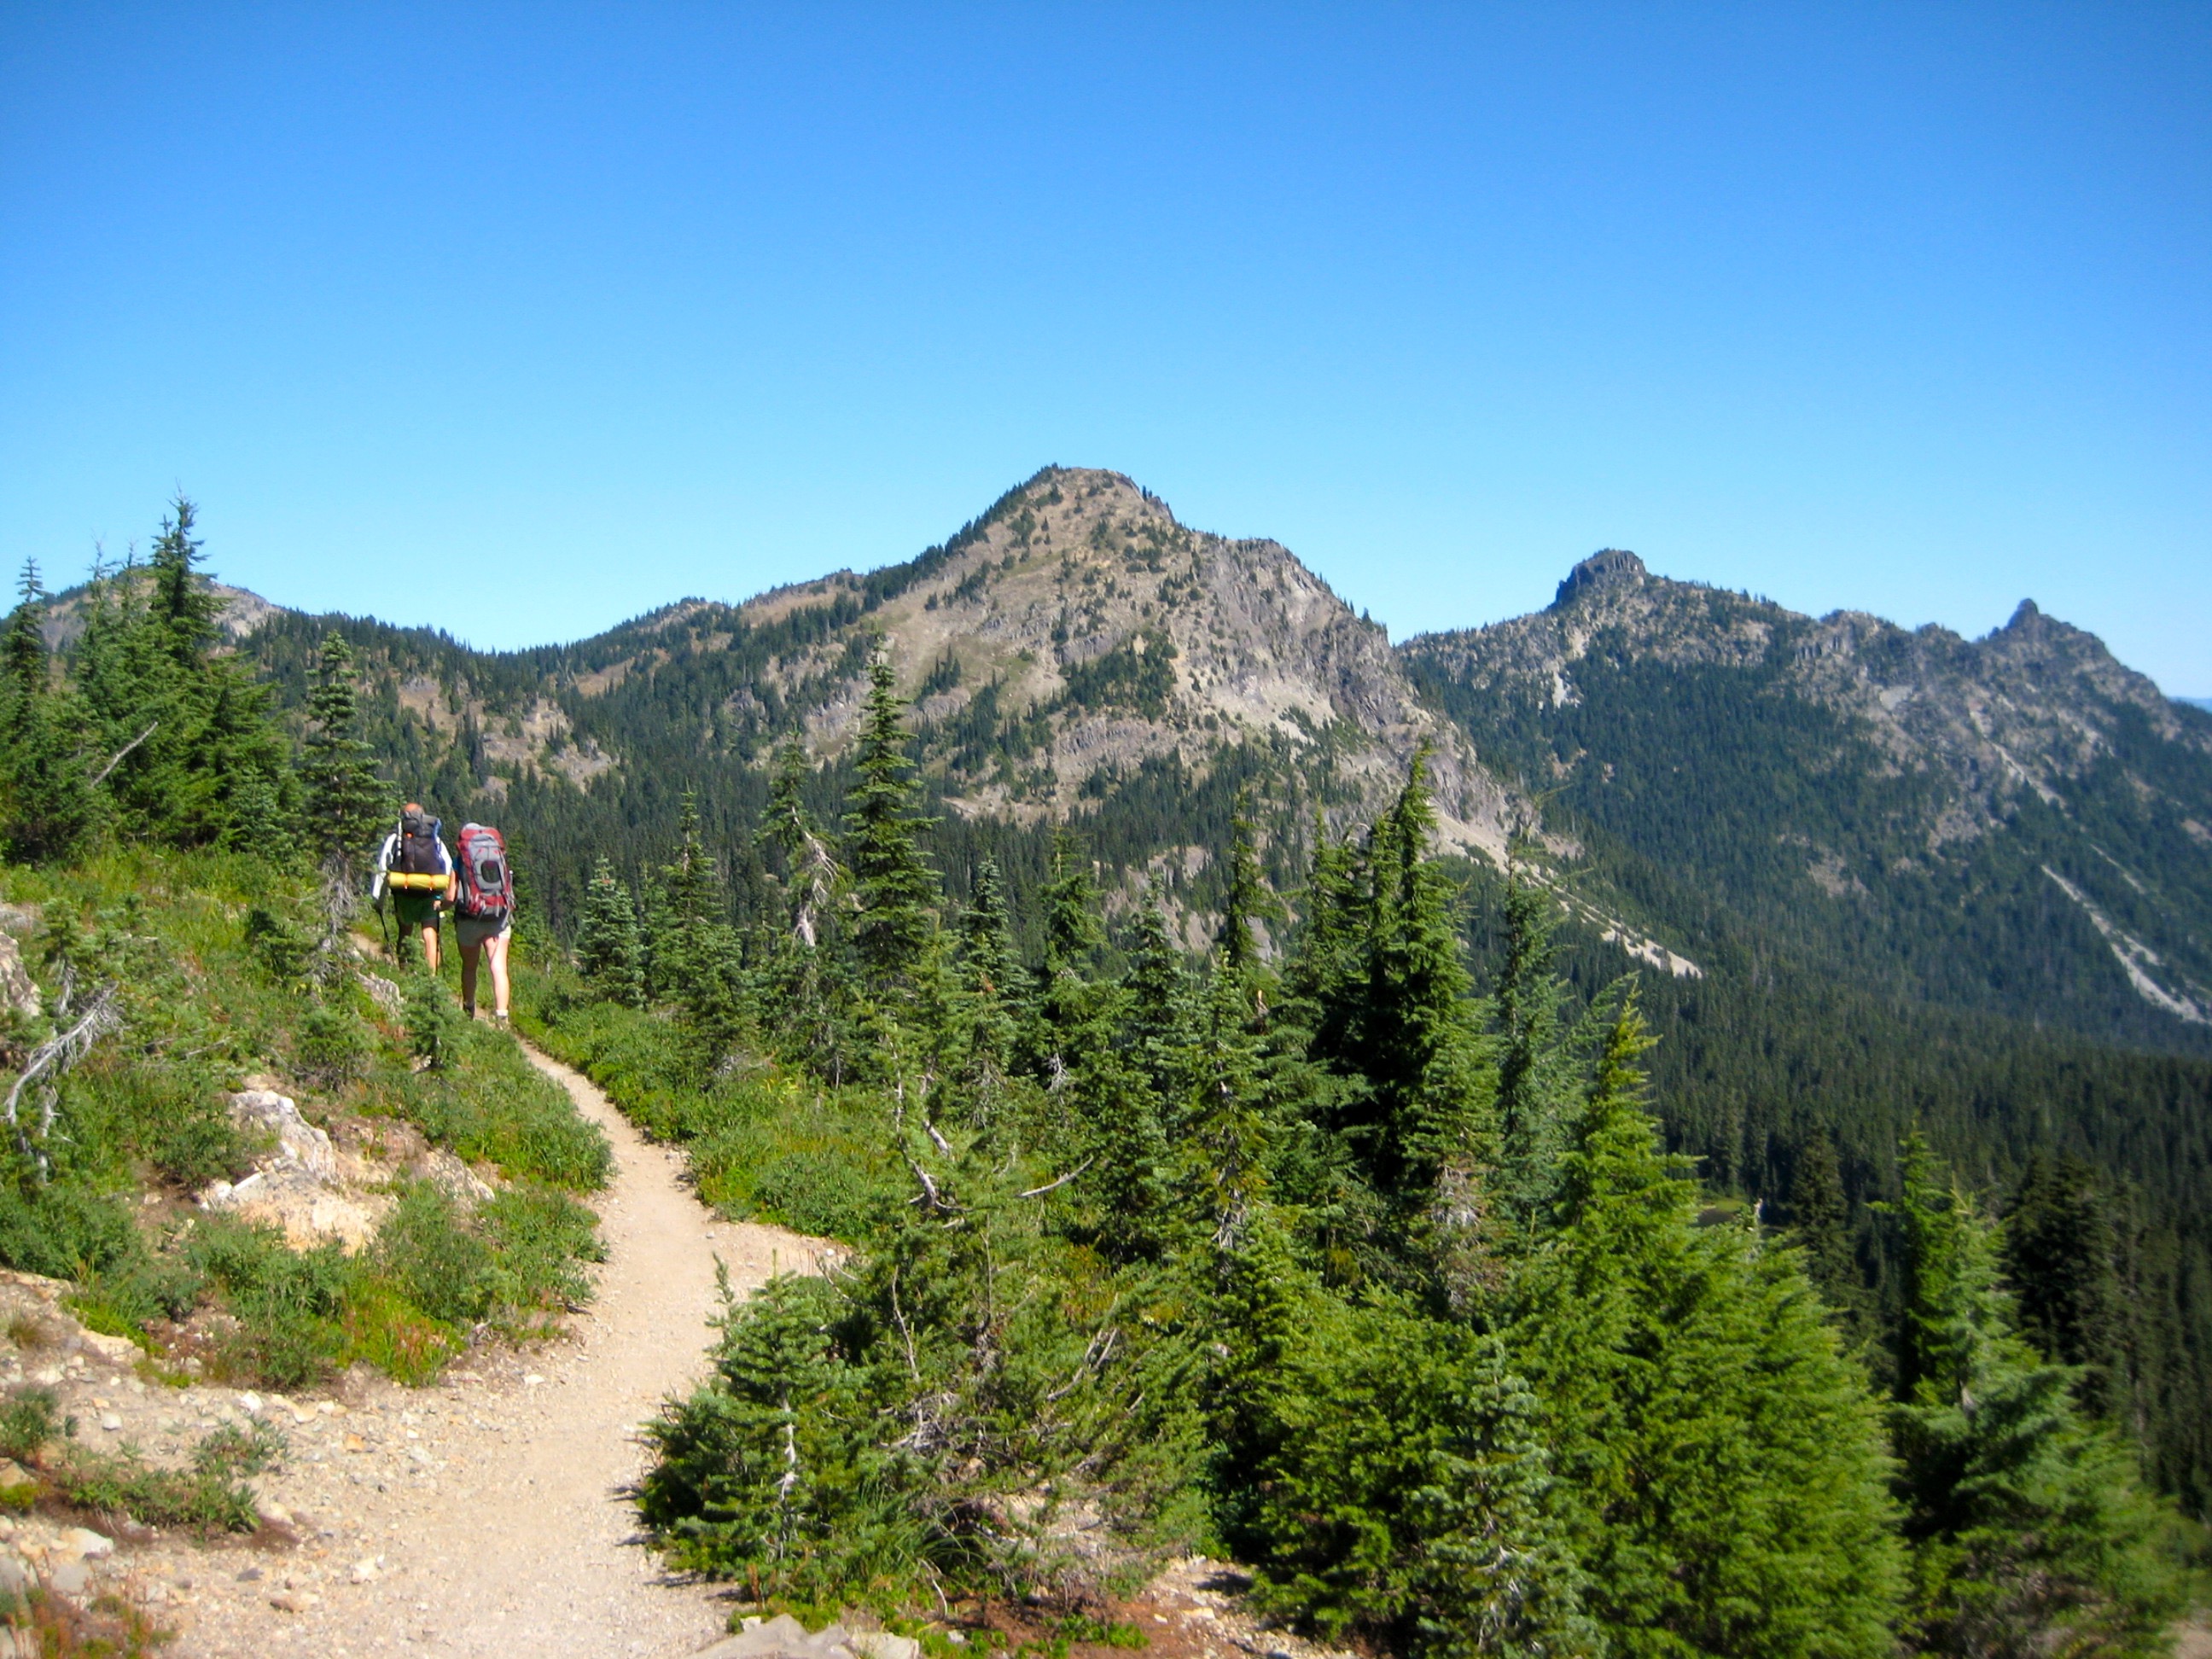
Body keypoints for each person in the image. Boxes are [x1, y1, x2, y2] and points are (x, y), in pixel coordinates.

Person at [372, 802, 453, 973]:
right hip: (430, 893)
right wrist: (444, 895)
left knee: (405, 931)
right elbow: (447, 867)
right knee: (430, 934)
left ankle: (404, 972)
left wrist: (378, 899)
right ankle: (430, 980)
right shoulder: (434, 838)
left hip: (404, 892)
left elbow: (382, 868)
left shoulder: (396, 839)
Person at [449, 820, 515, 1022]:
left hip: (469, 919)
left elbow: (451, 895)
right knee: (499, 968)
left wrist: (441, 907)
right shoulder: (497, 855)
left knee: (469, 966)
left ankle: (469, 1009)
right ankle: (502, 1016)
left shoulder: (460, 860)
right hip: (497, 917)